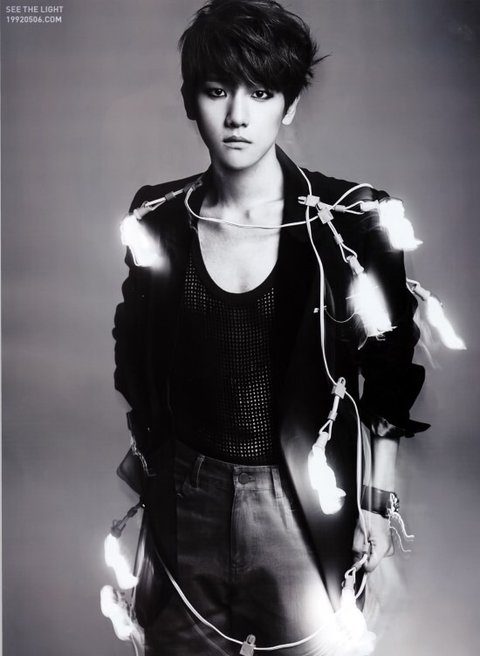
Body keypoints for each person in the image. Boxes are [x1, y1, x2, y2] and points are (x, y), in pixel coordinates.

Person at [113, 1, 427, 654]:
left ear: (289, 104)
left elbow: (388, 367)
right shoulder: (156, 219)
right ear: (190, 99)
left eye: (260, 93)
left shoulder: (348, 221)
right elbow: (134, 351)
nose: (237, 115)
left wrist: (377, 502)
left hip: (299, 501)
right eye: (216, 90)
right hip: (187, 496)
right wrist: (157, 466)